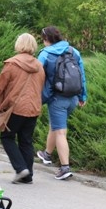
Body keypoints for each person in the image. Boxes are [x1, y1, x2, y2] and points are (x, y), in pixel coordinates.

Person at [36, 26, 87, 180]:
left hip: (56, 98)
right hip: (72, 97)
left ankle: (65, 168)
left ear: (46, 39)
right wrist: (82, 96)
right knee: (56, 125)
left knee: (60, 132)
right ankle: (47, 154)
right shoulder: (73, 51)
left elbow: (36, 76)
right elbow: (82, 75)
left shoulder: (45, 54)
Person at [0, 33, 45, 184]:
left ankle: (20, 168)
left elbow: (0, 86)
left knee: (7, 137)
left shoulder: (12, 64)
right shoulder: (39, 66)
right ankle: (27, 176)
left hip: (15, 108)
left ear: (18, 44)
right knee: (26, 140)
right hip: (33, 108)